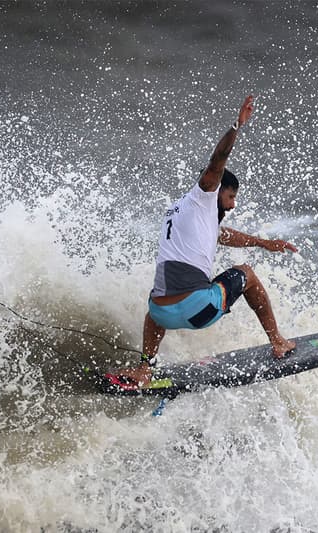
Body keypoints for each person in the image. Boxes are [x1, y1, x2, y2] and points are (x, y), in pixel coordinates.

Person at [119, 95, 297, 386]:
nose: (233, 205)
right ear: (217, 190)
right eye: (231, 197)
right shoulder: (205, 193)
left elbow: (223, 235)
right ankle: (278, 341)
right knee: (247, 274)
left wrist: (263, 243)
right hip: (199, 309)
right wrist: (237, 126)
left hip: (163, 315)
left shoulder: (180, 212)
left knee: (157, 299)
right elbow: (218, 161)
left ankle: (145, 368)